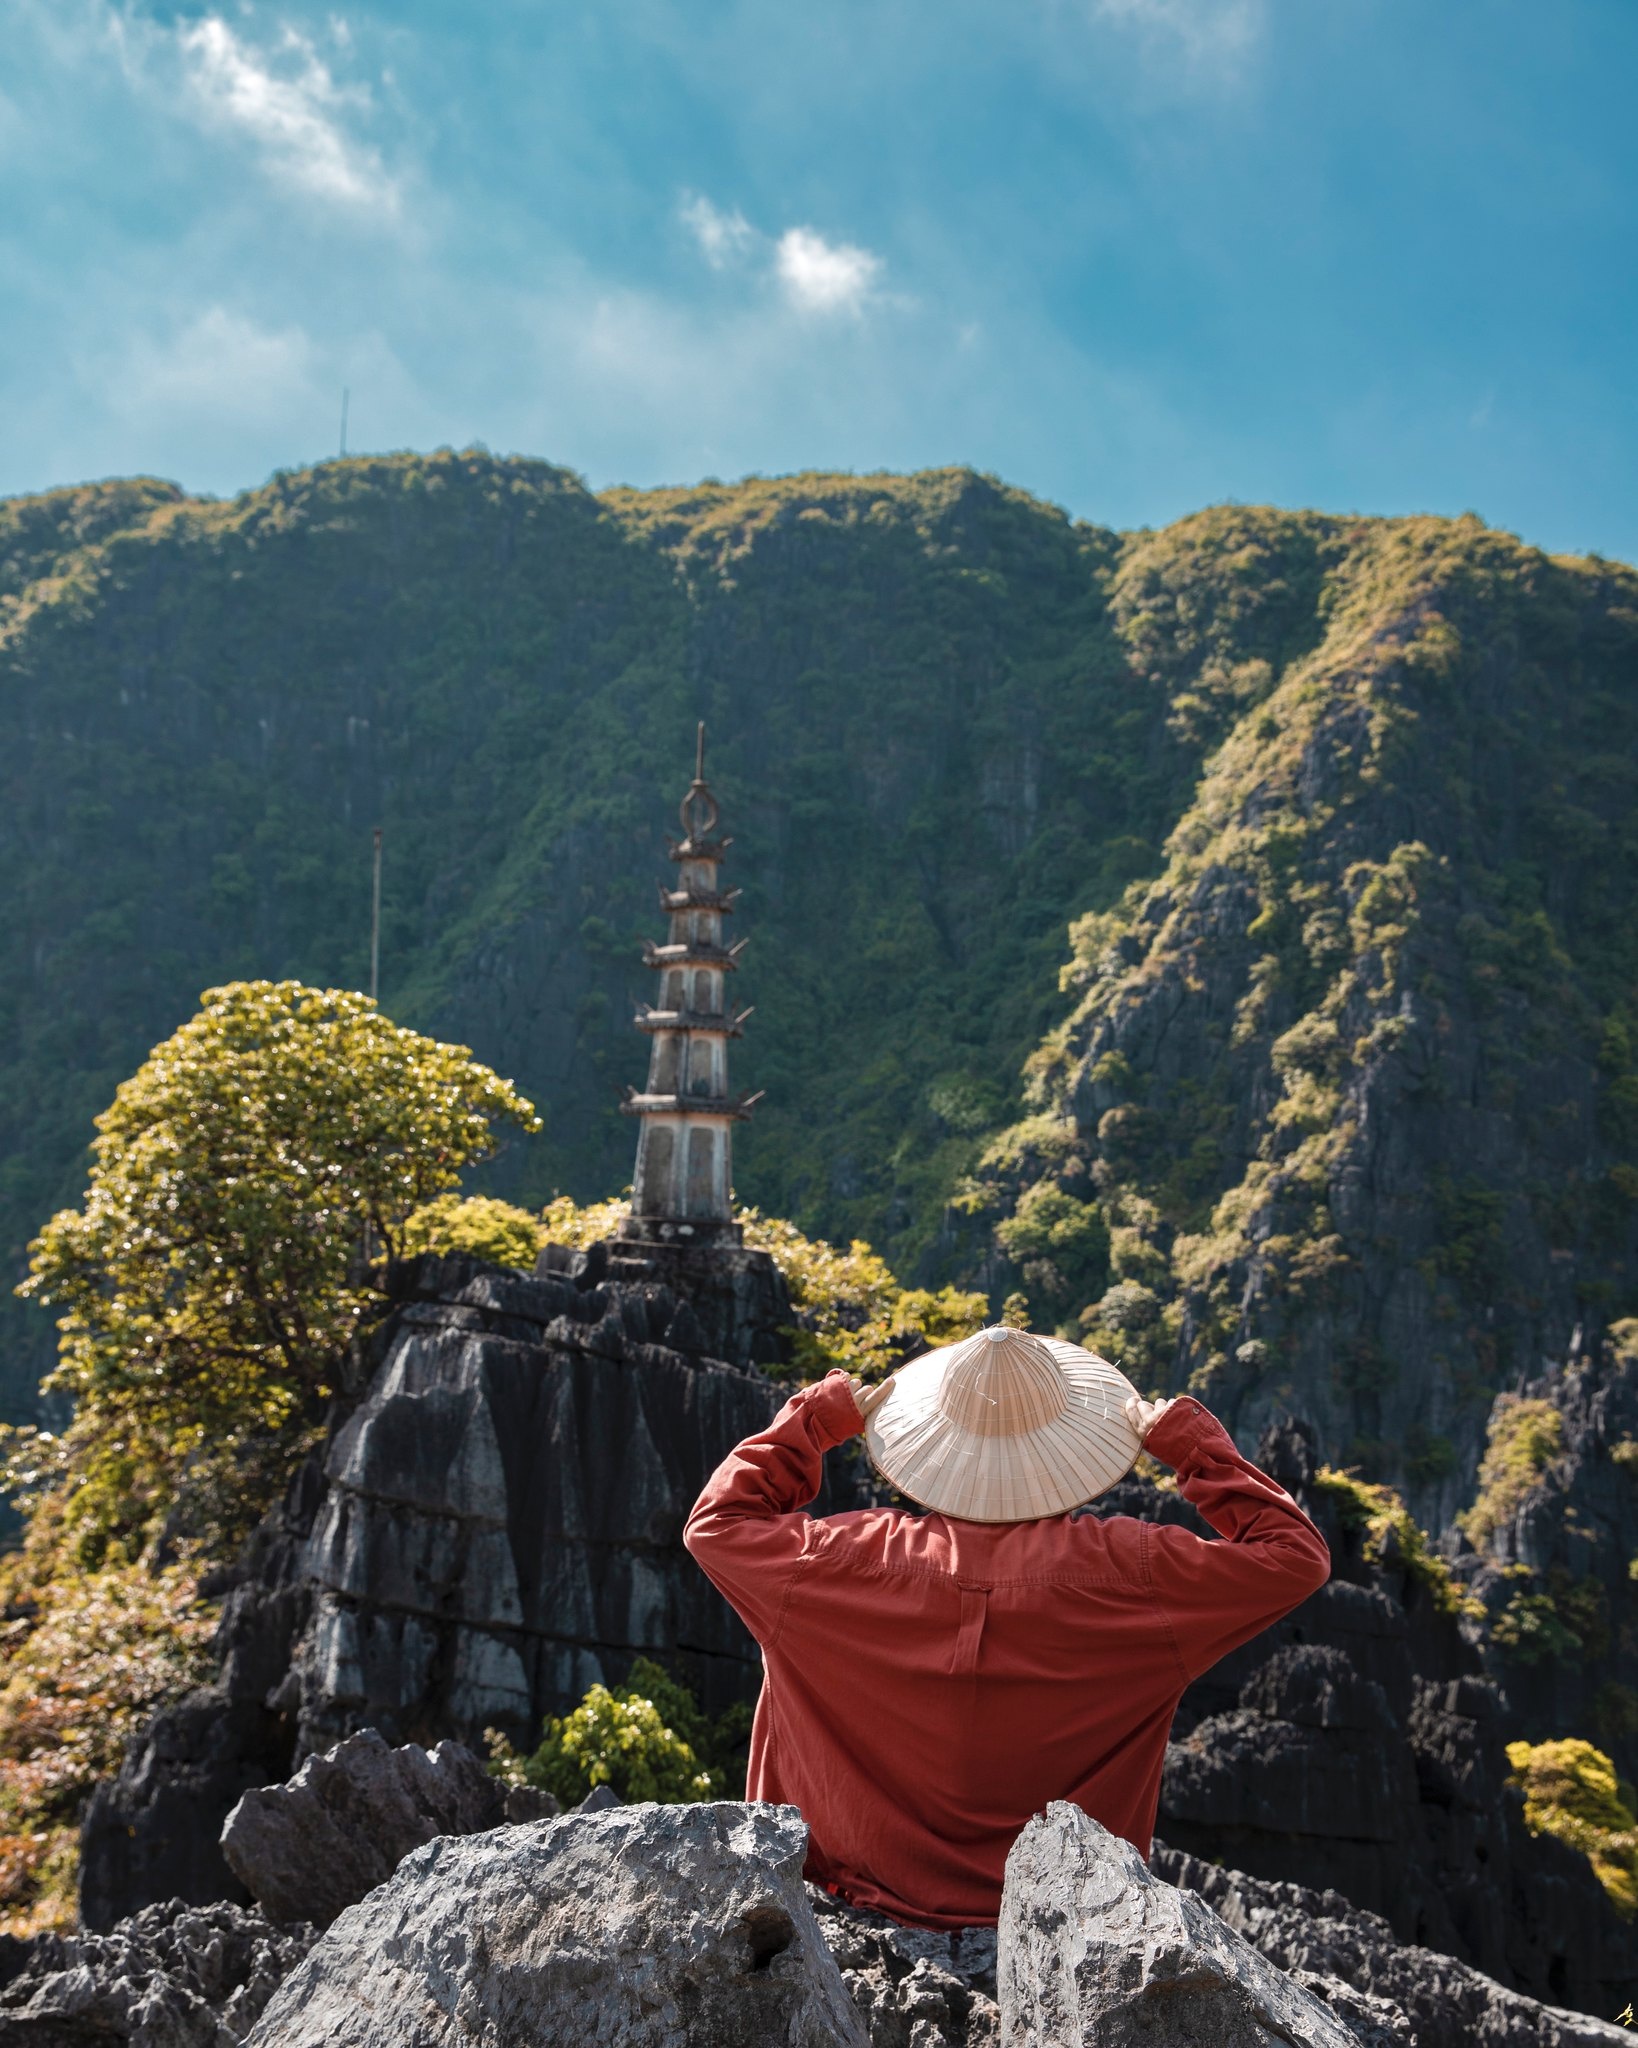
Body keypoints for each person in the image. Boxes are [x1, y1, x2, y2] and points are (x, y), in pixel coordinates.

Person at [683, 1324, 1330, 1930]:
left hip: (841, 1921)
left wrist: (815, 1422)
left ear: (927, 1447)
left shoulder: (834, 1560)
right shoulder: (1135, 1573)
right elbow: (1295, 1557)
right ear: (1074, 1450)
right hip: (1063, 1937)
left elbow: (716, 1525)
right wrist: (1192, 1447)